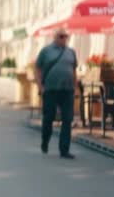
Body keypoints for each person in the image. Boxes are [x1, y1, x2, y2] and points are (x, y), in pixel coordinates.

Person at [35, 28, 78, 159]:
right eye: (61, 36)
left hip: (67, 90)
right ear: (55, 37)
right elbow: (37, 68)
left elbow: (74, 70)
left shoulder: (71, 52)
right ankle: (45, 141)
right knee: (48, 118)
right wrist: (40, 86)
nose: (63, 38)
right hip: (50, 90)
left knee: (67, 119)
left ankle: (64, 150)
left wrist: (75, 88)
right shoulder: (46, 51)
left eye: (65, 36)